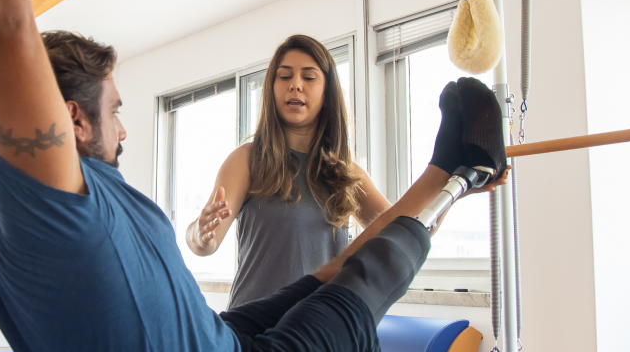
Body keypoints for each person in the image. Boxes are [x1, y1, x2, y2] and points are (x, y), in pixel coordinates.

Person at [0, 0, 507, 350]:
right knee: (359, 284)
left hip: (219, 332)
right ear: (73, 123)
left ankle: (455, 169)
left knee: (320, 277)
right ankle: (459, 172)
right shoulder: (49, 204)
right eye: (115, 109)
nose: (126, 126)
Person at [186, 35, 497, 309]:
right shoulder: (248, 160)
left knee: (397, 234)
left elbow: (408, 230)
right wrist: (199, 234)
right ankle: (444, 163)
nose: (295, 84)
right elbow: (204, 243)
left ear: (327, 92)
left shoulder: (347, 174)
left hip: (322, 325)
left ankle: (449, 169)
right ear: (272, 88)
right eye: (285, 76)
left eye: (309, 77)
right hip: (259, 329)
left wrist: (457, 190)